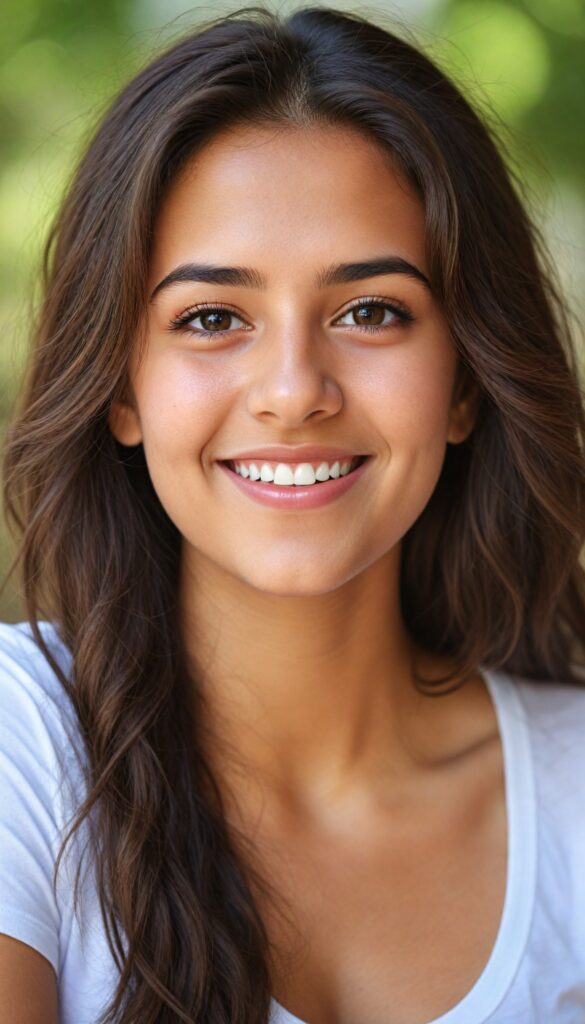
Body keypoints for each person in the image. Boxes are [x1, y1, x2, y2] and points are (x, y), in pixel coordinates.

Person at [0, 4, 584, 1023]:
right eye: (212, 318)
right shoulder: (23, 744)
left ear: (464, 383)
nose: (293, 390)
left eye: (371, 311)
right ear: (122, 389)